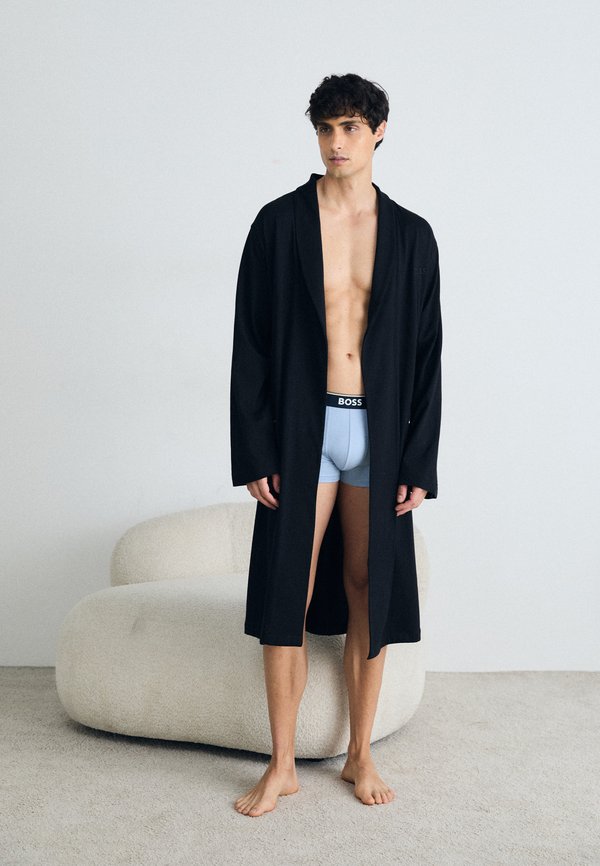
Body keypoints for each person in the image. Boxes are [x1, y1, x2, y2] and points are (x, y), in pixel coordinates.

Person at [229, 73, 443, 816]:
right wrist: (255, 449)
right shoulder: (278, 223)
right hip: (303, 431)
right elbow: (251, 342)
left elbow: (427, 353)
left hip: (377, 435)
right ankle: (283, 763)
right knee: (285, 587)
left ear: (379, 131)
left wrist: (419, 460)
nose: (336, 142)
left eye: (350, 127)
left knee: (367, 588)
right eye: (325, 128)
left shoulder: (411, 235)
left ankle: (360, 753)